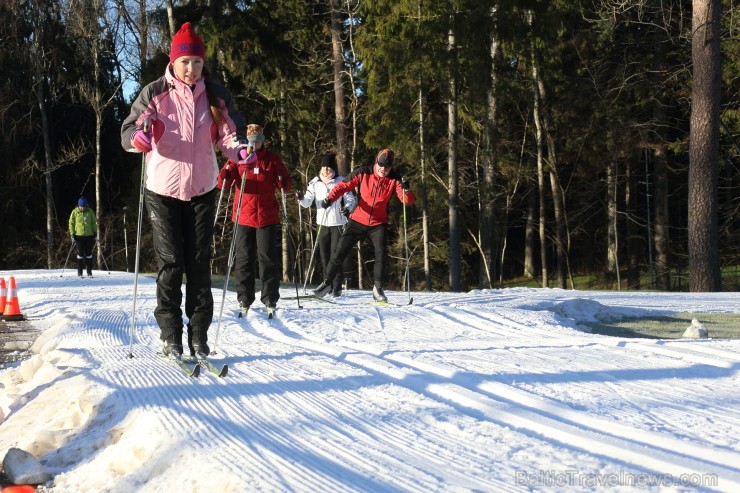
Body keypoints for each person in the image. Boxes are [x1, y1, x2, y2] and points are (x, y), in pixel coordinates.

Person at [120, 22, 248, 359]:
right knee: (172, 262)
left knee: (198, 262)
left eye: (197, 62)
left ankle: (198, 336)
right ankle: (171, 334)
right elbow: (129, 131)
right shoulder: (155, 92)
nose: (191, 70)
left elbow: (229, 135)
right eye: (185, 62)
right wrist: (139, 138)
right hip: (162, 191)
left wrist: (241, 152)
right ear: (172, 61)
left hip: (203, 188)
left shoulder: (217, 94)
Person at [313, 149, 414, 302]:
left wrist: (407, 189)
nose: (383, 170)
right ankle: (326, 283)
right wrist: (330, 198)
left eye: (387, 167)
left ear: (391, 167)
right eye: (381, 166)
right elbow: (343, 186)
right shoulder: (363, 172)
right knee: (339, 251)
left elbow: (406, 201)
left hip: (378, 223)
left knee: (381, 254)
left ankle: (378, 288)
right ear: (376, 162)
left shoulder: (395, 178)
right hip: (358, 219)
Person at [217, 124, 293, 315]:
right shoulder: (237, 157)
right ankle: (244, 296)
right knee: (243, 259)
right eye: (251, 140)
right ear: (246, 141)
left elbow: (285, 183)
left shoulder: (272, 159)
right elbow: (222, 184)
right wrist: (225, 174)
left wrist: (282, 181)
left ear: (262, 140)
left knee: (267, 258)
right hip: (243, 215)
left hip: (267, 215)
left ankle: (270, 298)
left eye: (258, 140)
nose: (255, 144)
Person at [296, 153, 355, 297]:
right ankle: (326, 285)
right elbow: (308, 202)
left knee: (336, 255)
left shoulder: (341, 181)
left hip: (337, 222)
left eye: (329, 168)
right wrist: (301, 198)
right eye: (324, 167)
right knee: (324, 256)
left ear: (334, 168)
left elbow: (350, 199)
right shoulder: (315, 182)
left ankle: (336, 286)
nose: (326, 170)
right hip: (322, 223)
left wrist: (347, 209)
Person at [68, 196, 98, 278]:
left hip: (89, 235)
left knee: (89, 254)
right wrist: (72, 234)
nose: (82, 208)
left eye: (84, 206)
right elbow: (71, 223)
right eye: (81, 206)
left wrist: (95, 233)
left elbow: (94, 223)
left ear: (86, 205)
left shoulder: (90, 211)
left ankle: (89, 272)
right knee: (80, 254)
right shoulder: (75, 212)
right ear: (78, 206)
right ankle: (80, 272)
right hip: (79, 236)